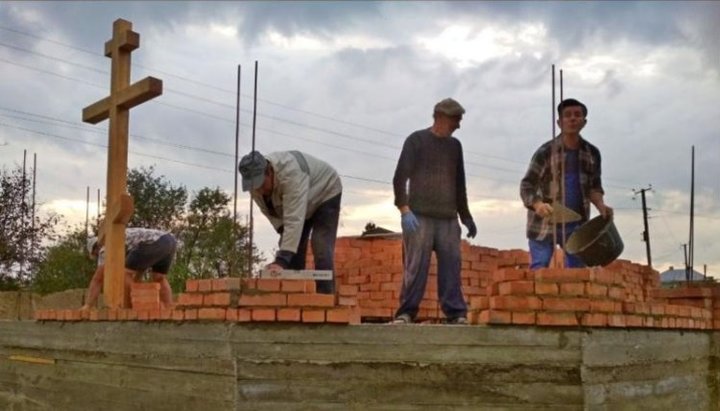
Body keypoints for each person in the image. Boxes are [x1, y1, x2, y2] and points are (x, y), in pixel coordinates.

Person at [391, 98, 477, 325]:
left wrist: (466, 216)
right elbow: (400, 177)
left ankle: (456, 313)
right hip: (419, 217)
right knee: (416, 266)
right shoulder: (416, 141)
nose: (458, 125)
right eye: (455, 120)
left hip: (448, 219)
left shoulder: (454, 146)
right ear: (440, 117)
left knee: (451, 266)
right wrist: (404, 209)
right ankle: (406, 312)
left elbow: (460, 183)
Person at [520, 98, 613, 269]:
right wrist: (538, 204)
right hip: (544, 222)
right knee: (539, 270)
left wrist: (601, 205)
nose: (572, 119)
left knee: (578, 273)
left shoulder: (591, 153)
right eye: (567, 115)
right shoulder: (546, 152)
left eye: (577, 115)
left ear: (584, 122)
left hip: (576, 224)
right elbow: (527, 185)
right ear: (559, 122)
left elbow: (594, 186)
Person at [238, 150, 342, 294]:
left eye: (261, 185)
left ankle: (325, 298)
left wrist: (281, 260)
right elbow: (271, 213)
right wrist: (284, 237)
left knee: (321, 245)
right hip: (299, 205)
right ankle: (296, 297)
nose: (259, 190)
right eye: (255, 187)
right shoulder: (255, 187)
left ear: (269, 172)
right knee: (294, 250)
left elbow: (293, 219)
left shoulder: (291, 174)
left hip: (325, 191)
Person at [81, 227, 177, 309]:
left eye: (95, 255)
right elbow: (140, 268)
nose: (98, 257)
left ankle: (128, 308)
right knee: (159, 278)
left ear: (95, 249)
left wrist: (88, 305)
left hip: (153, 242)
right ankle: (169, 307)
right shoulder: (122, 238)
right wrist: (137, 284)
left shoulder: (105, 245)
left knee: (125, 273)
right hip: (169, 240)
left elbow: (97, 279)